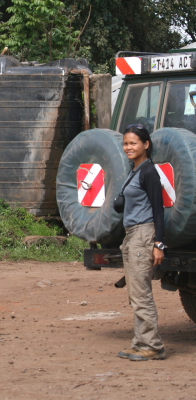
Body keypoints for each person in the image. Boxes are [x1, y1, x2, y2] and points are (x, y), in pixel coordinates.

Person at [117, 123, 166, 361]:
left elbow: (159, 210)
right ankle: (140, 342)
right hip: (132, 235)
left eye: (133, 143)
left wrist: (159, 243)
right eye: (126, 143)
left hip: (144, 234)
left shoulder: (148, 171)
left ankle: (152, 345)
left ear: (146, 145)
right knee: (135, 292)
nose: (128, 147)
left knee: (142, 293)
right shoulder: (134, 170)